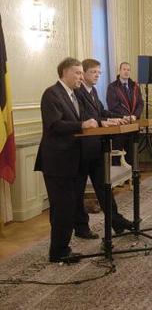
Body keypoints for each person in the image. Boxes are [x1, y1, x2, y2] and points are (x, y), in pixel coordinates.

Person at [34, 57, 98, 263]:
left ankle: (62, 248)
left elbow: (87, 117)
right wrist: (81, 125)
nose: (81, 77)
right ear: (65, 72)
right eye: (78, 73)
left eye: (81, 73)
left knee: (68, 207)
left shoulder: (74, 95)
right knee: (62, 207)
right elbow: (54, 125)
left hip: (73, 160)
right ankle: (59, 252)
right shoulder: (51, 94)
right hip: (57, 162)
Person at [74, 58, 134, 237]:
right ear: (83, 73)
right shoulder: (77, 93)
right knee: (78, 191)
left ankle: (117, 222)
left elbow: (102, 112)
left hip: (97, 148)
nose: (97, 76)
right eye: (93, 72)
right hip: (82, 149)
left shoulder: (93, 92)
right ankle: (81, 228)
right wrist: (105, 121)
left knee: (104, 188)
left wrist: (121, 117)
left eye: (99, 73)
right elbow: (86, 118)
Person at [106, 62, 144, 165]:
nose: (126, 72)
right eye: (124, 69)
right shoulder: (112, 87)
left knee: (132, 152)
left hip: (133, 124)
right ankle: (117, 178)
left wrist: (135, 115)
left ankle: (132, 175)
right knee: (117, 153)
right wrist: (125, 117)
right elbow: (113, 106)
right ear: (119, 70)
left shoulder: (135, 86)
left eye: (128, 70)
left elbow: (140, 103)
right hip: (120, 124)